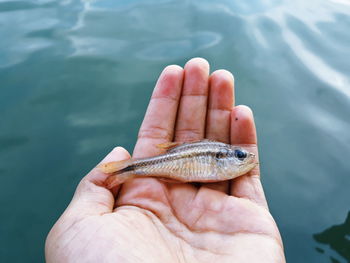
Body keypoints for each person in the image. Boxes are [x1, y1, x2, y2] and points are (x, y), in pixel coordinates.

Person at [45, 58, 286, 262]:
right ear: (224, 156)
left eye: (242, 155)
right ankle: (129, 170)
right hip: (174, 162)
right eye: (241, 156)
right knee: (136, 168)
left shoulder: (224, 161)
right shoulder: (220, 157)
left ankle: (130, 169)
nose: (248, 158)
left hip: (176, 163)